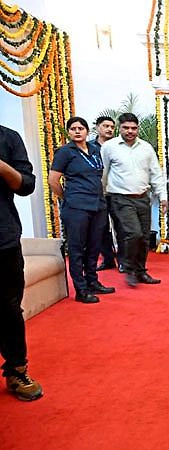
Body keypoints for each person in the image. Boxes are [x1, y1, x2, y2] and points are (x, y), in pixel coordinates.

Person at [49, 117, 116, 304]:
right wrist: (66, 198)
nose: (77, 131)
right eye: (73, 128)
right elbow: (53, 180)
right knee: (77, 248)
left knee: (94, 246)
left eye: (81, 128)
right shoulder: (64, 152)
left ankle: (92, 281)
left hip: (98, 205)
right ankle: (81, 289)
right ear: (69, 132)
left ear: (87, 131)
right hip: (76, 207)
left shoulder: (95, 150)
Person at [0, 124, 43, 401]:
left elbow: (27, 185)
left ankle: (16, 370)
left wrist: (2, 168)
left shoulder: (8, 137)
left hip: (2, 238)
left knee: (8, 307)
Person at [101, 113, 167, 287]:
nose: (130, 131)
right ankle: (129, 269)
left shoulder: (146, 147)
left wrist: (163, 197)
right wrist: (102, 197)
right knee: (133, 233)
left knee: (144, 237)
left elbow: (156, 172)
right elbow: (103, 173)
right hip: (120, 198)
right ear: (119, 128)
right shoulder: (109, 147)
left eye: (133, 128)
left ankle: (141, 271)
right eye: (126, 128)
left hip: (143, 198)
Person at [87, 116, 121, 272]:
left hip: (116, 191)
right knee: (100, 228)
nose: (109, 129)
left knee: (121, 226)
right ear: (97, 127)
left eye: (112, 127)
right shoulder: (89, 147)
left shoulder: (118, 146)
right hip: (97, 193)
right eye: (106, 126)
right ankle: (108, 259)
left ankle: (123, 261)